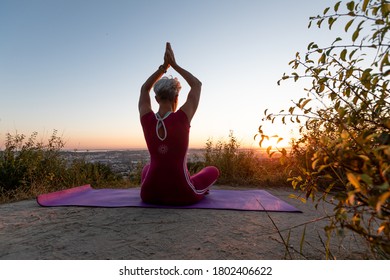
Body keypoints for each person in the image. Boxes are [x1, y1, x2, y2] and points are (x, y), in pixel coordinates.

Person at [138, 42, 219, 205]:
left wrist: (163, 68)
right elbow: (197, 84)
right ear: (176, 98)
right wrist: (174, 65)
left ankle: (163, 183)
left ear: (156, 99)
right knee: (212, 170)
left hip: (149, 194)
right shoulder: (182, 118)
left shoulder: (147, 119)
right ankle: (188, 180)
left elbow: (144, 89)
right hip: (183, 194)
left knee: (148, 167)